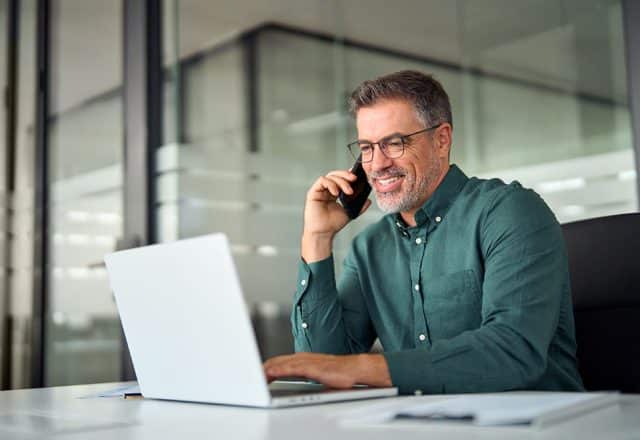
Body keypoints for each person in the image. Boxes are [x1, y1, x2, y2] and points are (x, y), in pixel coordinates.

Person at [263, 70, 584, 395]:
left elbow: (513, 349)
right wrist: (317, 238)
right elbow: (325, 365)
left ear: (441, 139)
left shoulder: (508, 212)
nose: (376, 164)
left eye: (394, 143)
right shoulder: (369, 248)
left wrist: (367, 368)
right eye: (367, 148)